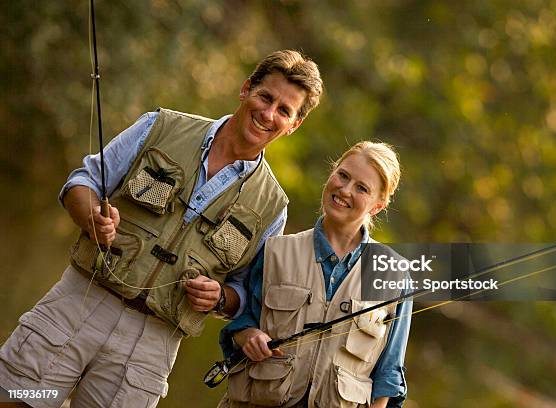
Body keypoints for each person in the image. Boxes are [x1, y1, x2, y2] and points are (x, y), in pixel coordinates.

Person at [0, 50, 323, 408]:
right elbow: (84, 182)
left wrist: (218, 297)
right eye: (266, 96)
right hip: (77, 304)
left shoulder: (273, 207)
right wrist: (92, 216)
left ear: (293, 125)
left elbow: (246, 294)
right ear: (246, 89)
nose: (268, 113)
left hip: (149, 350)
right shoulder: (160, 125)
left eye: (284, 110)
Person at [218, 142, 411, 408]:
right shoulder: (276, 250)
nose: (345, 190)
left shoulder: (393, 274)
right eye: (343, 175)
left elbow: (389, 374)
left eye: (361, 188)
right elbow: (240, 322)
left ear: (377, 206)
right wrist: (249, 336)